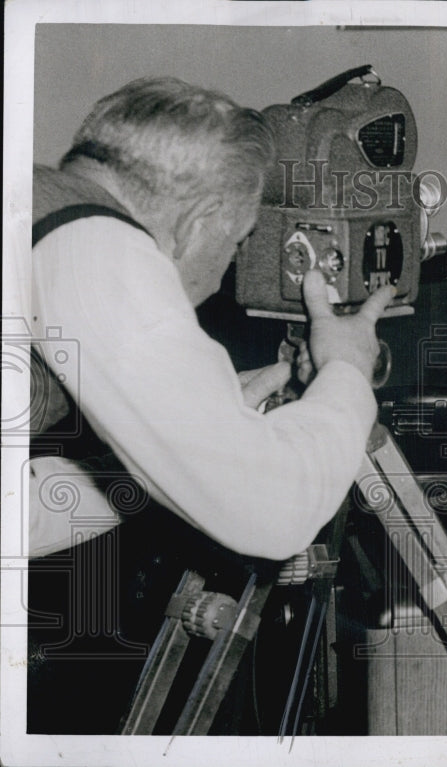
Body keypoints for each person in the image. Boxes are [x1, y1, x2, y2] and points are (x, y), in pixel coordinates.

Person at [27, 76, 394, 732]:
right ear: (197, 225)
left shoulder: (37, 211)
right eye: (236, 244)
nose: (226, 269)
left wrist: (180, 453)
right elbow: (272, 512)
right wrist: (346, 370)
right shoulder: (99, 243)